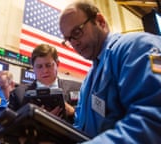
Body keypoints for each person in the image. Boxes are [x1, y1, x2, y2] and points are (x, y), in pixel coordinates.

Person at [59, 1, 161, 143]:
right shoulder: (88, 80)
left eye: (77, 32)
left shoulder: (136, 48)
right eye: (68, 39)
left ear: (100, 21)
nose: (74, 43)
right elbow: (80, 126)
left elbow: (152, 122)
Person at [9, 43, 81, 123]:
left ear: (57, 64)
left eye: (48, 65)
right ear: (33, 68)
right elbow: (9, 128)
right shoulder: (19, 94)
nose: (45, 71)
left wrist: (73, 112)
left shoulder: (77, 89)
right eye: (39, 66)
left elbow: (91, 124)